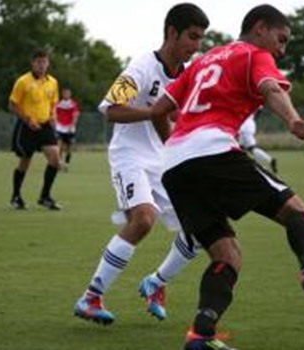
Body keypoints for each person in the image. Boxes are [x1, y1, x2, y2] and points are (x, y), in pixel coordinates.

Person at [150, 5, 304, 350]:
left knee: (226, 256)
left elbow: (158, 110)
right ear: (260, 28)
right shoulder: (254, 53)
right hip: (213, 149)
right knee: (299, 214)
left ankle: (201, 335)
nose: (282, 49)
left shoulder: (203, 59)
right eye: (281, 39)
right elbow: (271, 88)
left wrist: (178, 147)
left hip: (174, 165)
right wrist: (293, 120)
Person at [73, 3, 210, 325]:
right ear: (171, 32)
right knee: (144, 218)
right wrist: (153, 112)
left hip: (164, 161)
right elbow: (110, 109)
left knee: (203, 228)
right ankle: (91, 297)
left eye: (201, 39)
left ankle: (156, 284)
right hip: (130, 155)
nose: (197, 45)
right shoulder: (141, 68)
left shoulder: (188, 76)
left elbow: (178, 118)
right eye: (192, 36)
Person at [9, 49, 61, 210]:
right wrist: (27, 120)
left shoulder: (53, 82)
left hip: (45, 125)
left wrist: (53, 116)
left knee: (55, 159)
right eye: (38, 62)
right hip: (26, 126)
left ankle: (45, 197)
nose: (41, 65)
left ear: (48, 63)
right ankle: (16, 196)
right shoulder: (23, 81)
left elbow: (53, 102)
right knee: (25, 161)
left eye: (44, 62)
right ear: (33, 63)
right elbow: (12, 104)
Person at [54, 88, 80, 171]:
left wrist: (71, 126)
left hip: (70, 129)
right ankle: (59, 163)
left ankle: (67, 163)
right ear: (62, 94)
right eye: (64, 93)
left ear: (70, 94)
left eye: (68, 93)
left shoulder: (73, 104)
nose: (66, 95)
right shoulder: (58, 104)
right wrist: (55, 124)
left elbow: (75, 115)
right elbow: (54, 114)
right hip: (60, 128)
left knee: (69, 148)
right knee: (59, 146)